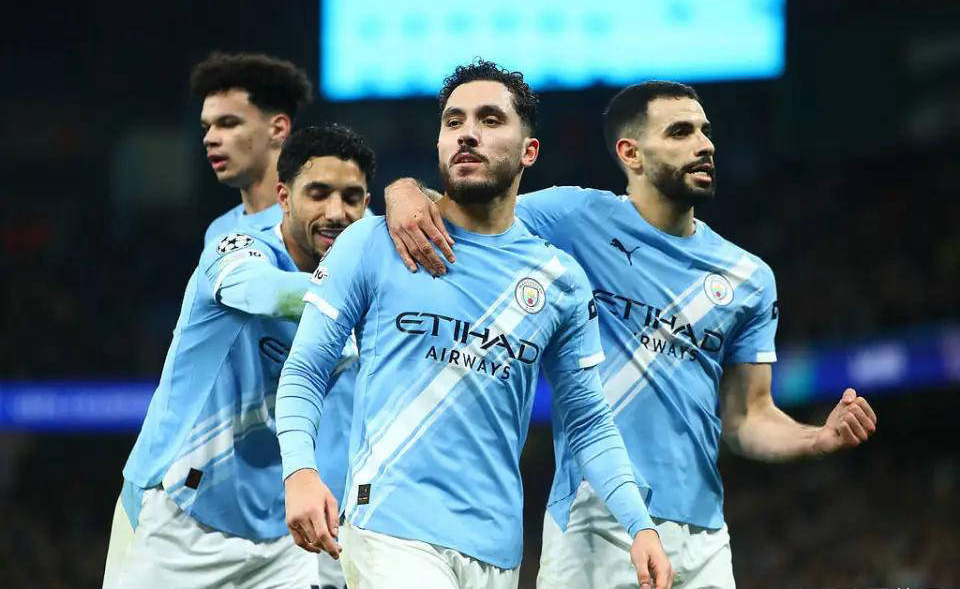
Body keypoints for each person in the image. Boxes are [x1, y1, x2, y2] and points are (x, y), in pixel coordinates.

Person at [384, 80, 879, 588]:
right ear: (630, 153)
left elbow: (749, 418)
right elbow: (469, 213)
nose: (704, 145)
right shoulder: (574, 217)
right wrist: (402, 191)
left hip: (706, 537)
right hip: (595, 520)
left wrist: (816, 438)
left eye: (705, 132)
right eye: (681, 132)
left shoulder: (748, 277)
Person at [275, 60, 673, 589]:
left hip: (497, 550)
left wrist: (639, 525)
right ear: (439, 143)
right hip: (389, 527)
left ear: (529, 151)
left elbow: (588, 422)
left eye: (489, 119)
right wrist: (300, 471)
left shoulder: (560, 280)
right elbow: (305, 369)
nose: (467, 133)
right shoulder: (372, 242)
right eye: (453, 121)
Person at [102, 124, 374, 589]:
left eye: (351, 198)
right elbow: (260, 290)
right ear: (284, 197)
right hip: (176, 516)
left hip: (281, 536)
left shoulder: (363, 275)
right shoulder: (238, 248)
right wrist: (352, 297)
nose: (336, 212)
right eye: (318, 193)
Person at [192, 51, 314, 245]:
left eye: (228, 123)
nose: (209, 139)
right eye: (207, 127)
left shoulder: (326, 220)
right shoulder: (219, 232)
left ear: (278, 129)